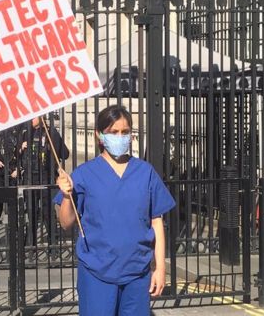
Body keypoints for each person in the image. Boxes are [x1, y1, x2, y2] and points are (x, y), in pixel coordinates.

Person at [55, 105, 176, 316]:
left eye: (125, 132)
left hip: (136, 273)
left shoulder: (145, 172)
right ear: (99, 135)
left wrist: (160, 268)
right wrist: (66, 196)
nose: (120, 137)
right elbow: (65, 222)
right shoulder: (84, 174)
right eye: (113, 132)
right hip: (97, 273)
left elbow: (156, 221)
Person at [22, 117, 68, 245]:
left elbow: (65, 154)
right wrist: (21, 148)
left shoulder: (51, 132)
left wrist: (54, 143)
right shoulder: (26, 134)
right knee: (31, 210)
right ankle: (30, 244)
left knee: (47, 210)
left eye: (34, 116)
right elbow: (18, 154)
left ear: (42, 117)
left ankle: (53, 243)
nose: (31, 119)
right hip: (30, 178)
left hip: (46, 176)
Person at [0, 125, 25, 226]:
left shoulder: (17, 135)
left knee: (13, 198)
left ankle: (13, 221)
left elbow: (22, 155)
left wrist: (18, 168)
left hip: (13, 169)